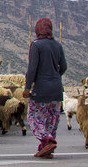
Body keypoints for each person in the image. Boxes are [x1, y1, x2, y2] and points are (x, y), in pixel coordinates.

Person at [23, 18, 67, 158]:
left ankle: (47, 141)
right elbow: (64, 66)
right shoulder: (57, 45)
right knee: (51, 119)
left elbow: (32, 68)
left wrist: (27, 87)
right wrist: (55, 76)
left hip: (41, 88)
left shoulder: (36, 45)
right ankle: (46, 149)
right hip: (56, 89)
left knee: (34, 117)